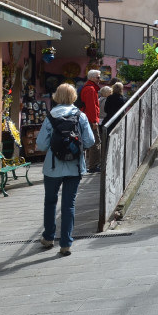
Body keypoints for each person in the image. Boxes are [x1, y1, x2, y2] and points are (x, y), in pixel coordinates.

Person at [37, 82, 95, 256]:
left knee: (50, 201)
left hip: (52, 167)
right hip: (75, 166)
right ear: (73, 97)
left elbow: (41, 144)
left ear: (57, 96)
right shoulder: (80, 116)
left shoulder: (50, 116)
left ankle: (48, 237)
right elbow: (90, 141)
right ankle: (66, 243)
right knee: (69, 204)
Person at [81, 69, 103, 173]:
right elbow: (92, 107)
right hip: (90, 119)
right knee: (96, 142)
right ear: (92, 78)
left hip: (87, 118)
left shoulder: (89, 87)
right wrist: (94, 121)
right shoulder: (90, 89)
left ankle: (91, 165)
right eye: (98, 77)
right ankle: (94, 166)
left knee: (90, 142)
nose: (100, 79)